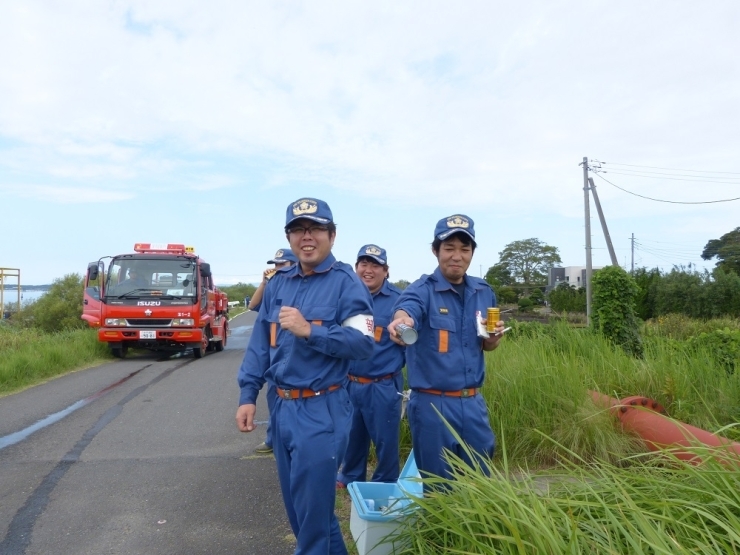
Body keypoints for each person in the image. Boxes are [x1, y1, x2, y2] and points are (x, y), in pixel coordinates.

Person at [236, 197, 374, 555]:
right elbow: (259, 345)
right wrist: (248, 394)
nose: (306, 237)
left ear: (332, 234)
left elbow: (362, 344)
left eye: (315, 229)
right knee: (306, 515)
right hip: (282, 409)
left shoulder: (347, 283)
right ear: (290, 236)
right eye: (298, 230)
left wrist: (311, 332)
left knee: (311, 526)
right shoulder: (279, 283)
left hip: (322, 409)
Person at [388, 214, 505, 484]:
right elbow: (406, 311)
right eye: (449, 248)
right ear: (435, 250)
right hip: (433, 405)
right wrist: (402, 322)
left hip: (473, 402)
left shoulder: (484, 291)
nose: (457, 256)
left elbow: (487, 344)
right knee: (439, 487)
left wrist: (493, 338)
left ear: (472, 252)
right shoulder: (421, 290)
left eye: (465, 249)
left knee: (480, 483)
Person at [337, 244, 405, 489]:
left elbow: (410, 343)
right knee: (351, 434)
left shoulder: (399, 301)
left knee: (386, 439)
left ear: (386, 271)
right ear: (356, 268)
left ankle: (385, 483)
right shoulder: (346, 297)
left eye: (375, 265)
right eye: (363, 264)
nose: (368, 270)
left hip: (383, 384)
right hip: (349, 381)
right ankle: (350, 476)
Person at [248, 247, 299, 455]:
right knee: (274, 404)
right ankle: (273, 439)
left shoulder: (298, 291)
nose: (278, 268)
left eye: (282, 264)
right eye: (275, 265)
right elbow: (253, 305)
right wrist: (264, 283)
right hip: (273, 361)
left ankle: (292, 443)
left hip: (295, 362)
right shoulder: (274, 289)